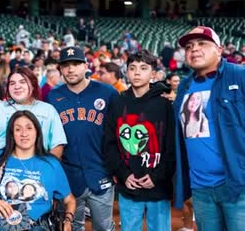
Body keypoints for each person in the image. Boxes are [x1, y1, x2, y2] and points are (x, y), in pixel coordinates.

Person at [174, 26, 245, 230]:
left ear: (219, 49)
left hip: (237, 185)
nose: (194, 49)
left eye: (202, 44)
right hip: (200, 188)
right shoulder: (184, 87)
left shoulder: (240, 76)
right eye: (189, 46)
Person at [0, 111, 76, 231]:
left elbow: (69, 200)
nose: (24, 134)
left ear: (37, 132)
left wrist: (68, 220)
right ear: (12, 134)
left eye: (29, 128)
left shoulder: (51, 164)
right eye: (18, 129)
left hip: (36, 227)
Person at [47, 46, 118, 231]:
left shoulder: (107, 92)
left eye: (76, 64)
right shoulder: (53, 97)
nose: (70, 69)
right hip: (68, 175)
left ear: (86, 66)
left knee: (103, 227)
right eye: (66, 65)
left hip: (100, 171)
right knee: (72, 226)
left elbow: (118, 132)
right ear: (60, 69)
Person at [103, 50, 176, 231]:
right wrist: (124, 174)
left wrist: (157, 176)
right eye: (132, 68)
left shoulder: (164, 105)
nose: (137, 72)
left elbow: (171, 147)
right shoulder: (118, 103)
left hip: (158, 186)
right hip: (129, 184)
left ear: (153, 73)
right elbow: (109, 143)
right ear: (126, 72)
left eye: (143, 68)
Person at [0, 67, 67, 163]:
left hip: (36, 172)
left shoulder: (48, 110)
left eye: (22, 82)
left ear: (33, 84)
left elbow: (57, 145)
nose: (17, 86)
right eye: (12, 83)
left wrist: (47, 168)